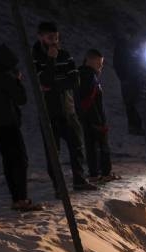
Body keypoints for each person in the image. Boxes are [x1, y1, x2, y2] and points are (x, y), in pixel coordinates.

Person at [32, 21, 96, 193]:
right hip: (49, 112)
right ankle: (59, 187)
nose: (54, 41)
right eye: (50, 37)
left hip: (68, 109)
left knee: (77, 146)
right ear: (41, 37)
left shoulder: (65, 55)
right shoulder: (35, 57)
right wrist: (51, 60)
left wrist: (54, 84)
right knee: (53, 152)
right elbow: (43, 80)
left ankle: (79, 181)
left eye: (56, 37)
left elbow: (75, 81)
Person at [0, 44, 41, 211]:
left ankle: (16, 199)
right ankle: (22, 199)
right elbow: (21, 99)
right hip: (8, 124)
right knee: (20, 161)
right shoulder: (4, 76)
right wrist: (18, 81)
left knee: (8, 162)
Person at [77, 49, 117, 182]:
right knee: (101, 146)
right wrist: (99, 122)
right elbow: (89, 100)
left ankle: (94, 173)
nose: (101, 66)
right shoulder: (89, 77)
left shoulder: (82, 74)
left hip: (86, 117)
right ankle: (105, 173)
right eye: (99, 63)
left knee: (91, 145)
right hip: (94, 118)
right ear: (90, 61)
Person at [112, 29, 142, 135]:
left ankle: (136, 126)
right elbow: (118, 64)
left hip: (133, 78)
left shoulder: (131, 47)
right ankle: (134, 127)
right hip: (128, 79)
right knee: (131, 103)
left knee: (135, 102)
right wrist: (123, 77)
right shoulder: (122, 47)